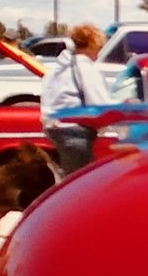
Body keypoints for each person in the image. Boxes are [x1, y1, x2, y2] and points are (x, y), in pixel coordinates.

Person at [40, 23, 107, 174]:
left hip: (55, 129)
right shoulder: (86, 68)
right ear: (92, 44)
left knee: (70, 177)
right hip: (77, 132)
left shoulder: (58, 67)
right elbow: (99, 103)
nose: (99, 53)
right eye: (99, 47)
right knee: (83, 183)